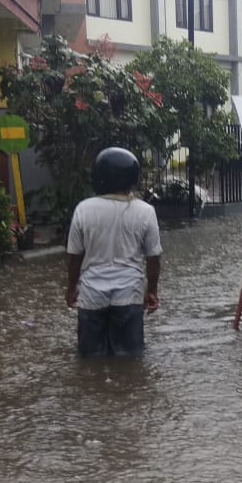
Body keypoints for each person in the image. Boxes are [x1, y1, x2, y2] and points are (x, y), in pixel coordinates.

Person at [65, 147, 162, 358]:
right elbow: (153, 259)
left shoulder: (84, 209)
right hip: (130, 295)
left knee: (90, 363)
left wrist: (71, 288)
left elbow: (74, 256)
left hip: (91, 295)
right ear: (133, 178)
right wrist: (152, 291)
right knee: (130, 363)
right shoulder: (146, 211)